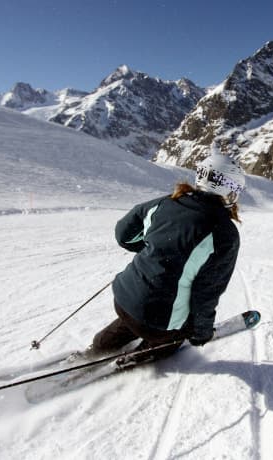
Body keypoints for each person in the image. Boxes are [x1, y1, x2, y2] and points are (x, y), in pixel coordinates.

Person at [87, 151, 246, 362]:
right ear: (228, 189)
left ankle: (99, 347)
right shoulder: (224, 233)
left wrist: (157, 249)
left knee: (137, 314)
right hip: (159, 321)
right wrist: (200, 333)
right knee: (166, 331)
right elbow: (206, 293)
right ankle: (139, 356)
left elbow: (123, 235)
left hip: (123, 300)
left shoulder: (166, 203)